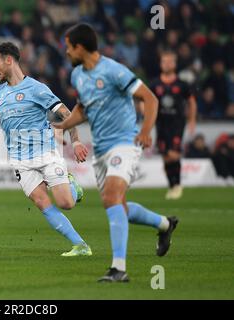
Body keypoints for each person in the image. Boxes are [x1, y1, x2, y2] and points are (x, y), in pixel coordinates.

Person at [54, 23, 179, 282]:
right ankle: (165, 224)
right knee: (117, 204)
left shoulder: (113, 70)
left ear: (79, 47)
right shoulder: (77, 75)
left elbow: (150, 99)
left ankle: (118, 268)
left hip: (124, 143)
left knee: (112, 197)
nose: (66, 52)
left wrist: (145, 130)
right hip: (100, 151)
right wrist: (63, 125)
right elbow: (83, 108)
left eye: (68, 47)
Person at [0, 42, 92, 257]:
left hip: (46, 154)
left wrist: (77, 141)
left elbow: (66, 113)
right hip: (19, 160)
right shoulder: (1, 90)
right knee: (41, 202)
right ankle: (80, 245)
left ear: (9, 60)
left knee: (66, 203)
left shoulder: (36, 88)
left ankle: (71, 184)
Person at [150, 50, 197, 199]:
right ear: (160, 63)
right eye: (164, 61)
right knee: (166, 156)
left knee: (174, 154)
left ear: (175, 64)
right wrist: (147, 118)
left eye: (170, 61)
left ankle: (177, 185)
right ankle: (171, 185)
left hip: (177, 123)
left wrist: (192, 120)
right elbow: (147, 101)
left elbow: (191, 102)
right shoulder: (155, 83)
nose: (167, 64)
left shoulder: (182, 84)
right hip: (161, 123)